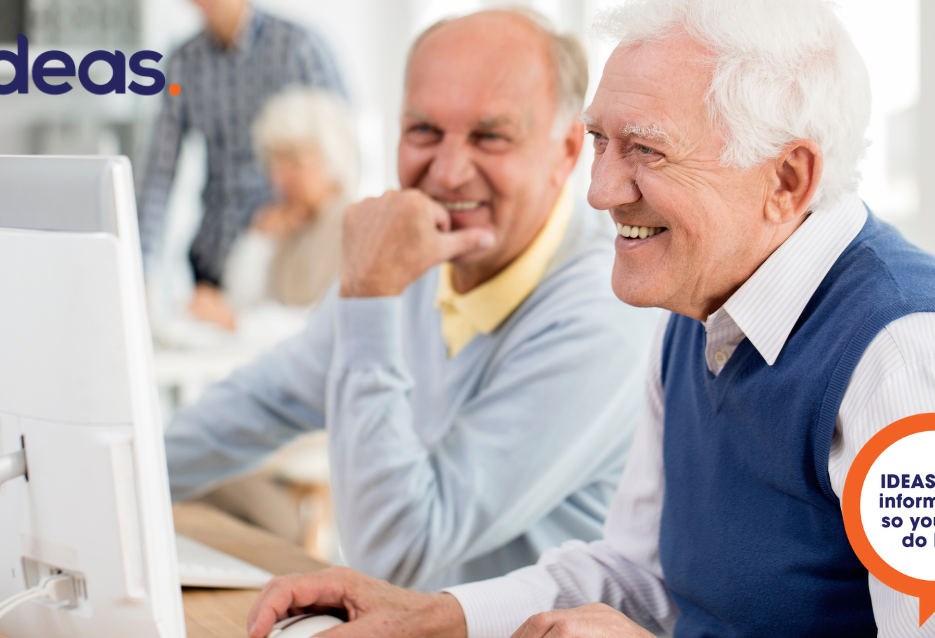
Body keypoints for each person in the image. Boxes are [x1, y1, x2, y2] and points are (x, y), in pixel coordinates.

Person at [242, 0, 935, 636]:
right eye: (598, 141)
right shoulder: (700, 308)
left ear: (787, 178)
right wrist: (434, 615)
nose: (598, 191)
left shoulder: (911, 367)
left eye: (647, 152)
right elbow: (644, 573)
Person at [163, 9, 661, 591]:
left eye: (491, 136)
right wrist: (102, 478)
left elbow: (398, 550)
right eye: (423, 131)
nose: (447, 174)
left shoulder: (608, 306)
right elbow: (262, 402)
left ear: (567, 152)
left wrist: (371, 296)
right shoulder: (417, 256)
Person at [137, 0, 345, 330]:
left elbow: (343, 140)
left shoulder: (299, 48)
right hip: (216, 256)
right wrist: (141, 269)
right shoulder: (183, 63)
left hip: (290, 252)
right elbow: (159, 176)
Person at [223, 86, 357, 313]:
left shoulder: (351, 224)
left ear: (331, 155)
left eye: (293, 160)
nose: (279, 177)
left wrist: (240, 324)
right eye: (273, 163)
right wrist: (259, 238)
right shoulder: (288, 224)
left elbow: (320, 324)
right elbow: (240, 300)